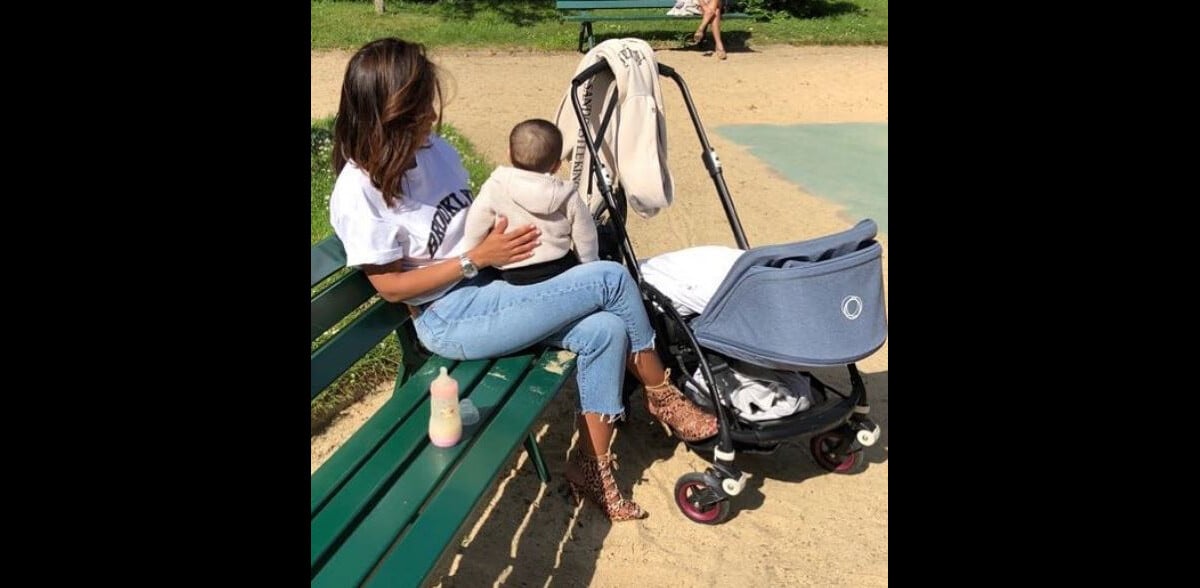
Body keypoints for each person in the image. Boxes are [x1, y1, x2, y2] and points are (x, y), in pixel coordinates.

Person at [327, 38, 718, 522]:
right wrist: (475, 258)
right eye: (418, 109)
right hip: (448, 317)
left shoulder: (434, 152)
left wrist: (510, 234)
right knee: (611, 279)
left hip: (494, 288)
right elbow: (390, 288)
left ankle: (592, 468)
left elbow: (479, 214)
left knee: (607, 330)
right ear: (387, 114)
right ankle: (663, 395)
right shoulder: (358, 190)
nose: (431, 116)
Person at [462, 119, 598, 286]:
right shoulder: (567, 194)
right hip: (558, 265)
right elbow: (585, 234)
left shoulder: (496, 185)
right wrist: (589, 264)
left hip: (511, 270)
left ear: (509, 154)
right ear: (556, 166)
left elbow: (476, 223)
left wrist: (471, 252)